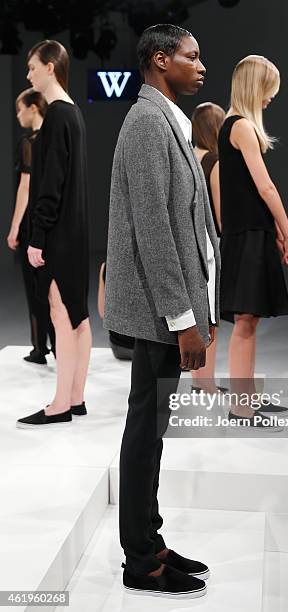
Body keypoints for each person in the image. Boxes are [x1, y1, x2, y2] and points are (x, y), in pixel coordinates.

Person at [104, 24, 220, 598]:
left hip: (167, 309)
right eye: (191, 57)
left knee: (152, 431)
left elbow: (190, 224)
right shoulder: (148, 122)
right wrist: (183, 319)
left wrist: (205, 306)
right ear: (159, 60)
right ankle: (140, 561)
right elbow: (154, 230)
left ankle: (149, 538)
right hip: (157, 312)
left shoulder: (166, 117)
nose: (202, 66)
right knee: (145, 432)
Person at [218, 55, 288, 425]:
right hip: (249, 237)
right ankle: (241, 407)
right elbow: (265, 187)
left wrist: (277, 233)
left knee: (248, 322)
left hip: (250, 235)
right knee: (246, 322)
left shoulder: (232, 126)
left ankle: (246, 400)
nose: (270, 99)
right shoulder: (241, 128)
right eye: (269, 92)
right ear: (256, 87)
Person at [16, 40, 91, 428]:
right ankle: (75, 398)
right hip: (76, 232)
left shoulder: (58, 116)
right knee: (78, 318)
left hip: (58, 234)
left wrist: (37, 236)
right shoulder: (73, 114)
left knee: (61, 315)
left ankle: (60, 404)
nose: (28, 74)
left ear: (49, 67)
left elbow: (51, 185)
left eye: (32, 67)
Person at [7, 88, 55, 364]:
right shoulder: (52, 141)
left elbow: (24, 189)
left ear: (33, 108)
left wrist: (14, 229)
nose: (18, 115)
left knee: (34, 288)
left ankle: (40, 348)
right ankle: (58, 347)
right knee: (51, 290)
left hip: (30, 225)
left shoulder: (29, 143)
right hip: (50, 223)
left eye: (20, 109)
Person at [191, 101, 225, 394]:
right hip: (208, 246)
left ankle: (197, 380)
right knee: (211, 315)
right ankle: (205, 382)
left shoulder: (187, 156)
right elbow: (220, 213)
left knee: (195, 313)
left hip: (186, 244)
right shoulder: (213, 161)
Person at [97, 261, 134, 360]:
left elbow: (102, 313)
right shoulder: (153, 261)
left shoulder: (107, 265)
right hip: (148, 349)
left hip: (120, 347)